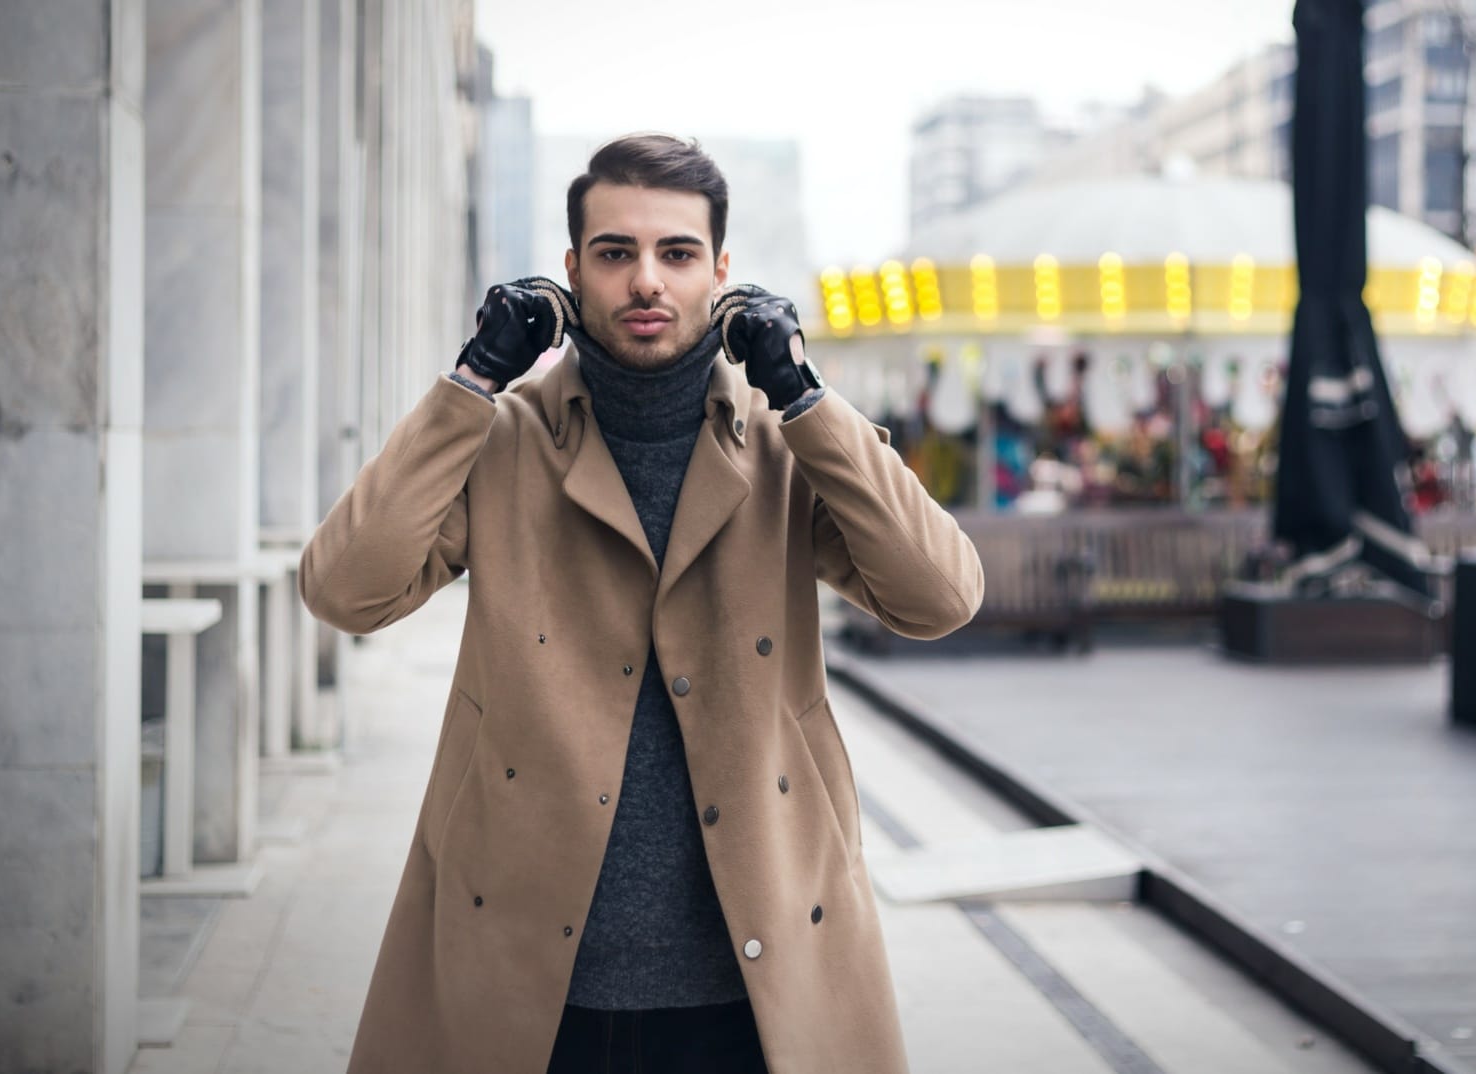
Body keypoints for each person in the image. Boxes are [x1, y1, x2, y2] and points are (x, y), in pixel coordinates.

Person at [300, 134, 984, 1074]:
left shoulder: (787, 446)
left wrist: (801, 390)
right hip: (533, 979)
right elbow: (345, 590)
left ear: (724, 274)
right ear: (572, 272)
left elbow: (942, 595)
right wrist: (471, 381)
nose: (647, 281)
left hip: (752, 980)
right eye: (616, 253)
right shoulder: (501, 442)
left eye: (677, 253)